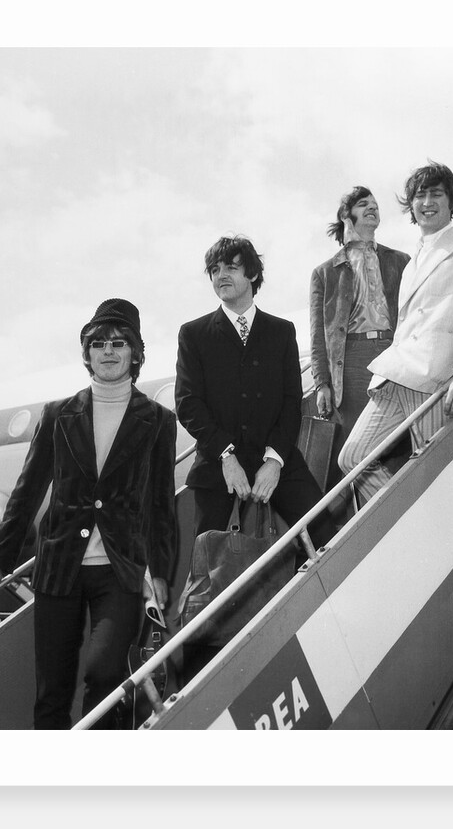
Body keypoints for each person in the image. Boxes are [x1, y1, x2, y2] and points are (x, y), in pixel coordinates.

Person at [0, 299, 177, 729]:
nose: (108, 351)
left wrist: (160, 572)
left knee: (105, 674)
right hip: (59, 567)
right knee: (52, 693)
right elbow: (26, 494)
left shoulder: (158, 420)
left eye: (119, 343)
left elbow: (161, 502)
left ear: (135, 353)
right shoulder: (58, 414)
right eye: (98, 343)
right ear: (87, 354)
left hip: (119, 571)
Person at [175, 235, 337, 676]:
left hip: (277, 459)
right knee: (208, 573)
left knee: (326, 533)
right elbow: (188, 403)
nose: (221, 275)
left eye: (230, 267)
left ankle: (316, 632)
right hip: (217, 465)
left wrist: (274, 460)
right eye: (214, 270)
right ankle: (197, 680)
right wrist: (225, 455)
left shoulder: (281, 331)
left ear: (252, 274)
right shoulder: (193, 334)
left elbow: (290, 402)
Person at [338, 162, 453, 504]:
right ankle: (407, 515)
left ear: (451, 201)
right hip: (394, 375)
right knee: (353, 458)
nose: (427, 202)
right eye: (420, 196)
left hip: (434, 379)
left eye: (436, 194)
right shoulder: (412, 260)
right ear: (411, 206)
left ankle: (425, 519)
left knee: (436, 473)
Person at [309, 186, 412, 492]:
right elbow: (318, 336)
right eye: (363, 204)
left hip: (394, 354)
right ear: (346, 215)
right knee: (359, 451)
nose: (372, 208)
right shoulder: (324, 273)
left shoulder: (401, 260)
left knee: (400, 442)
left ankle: (407, 504)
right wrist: (322, 383)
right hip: (351, 363)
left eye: (375, 204)